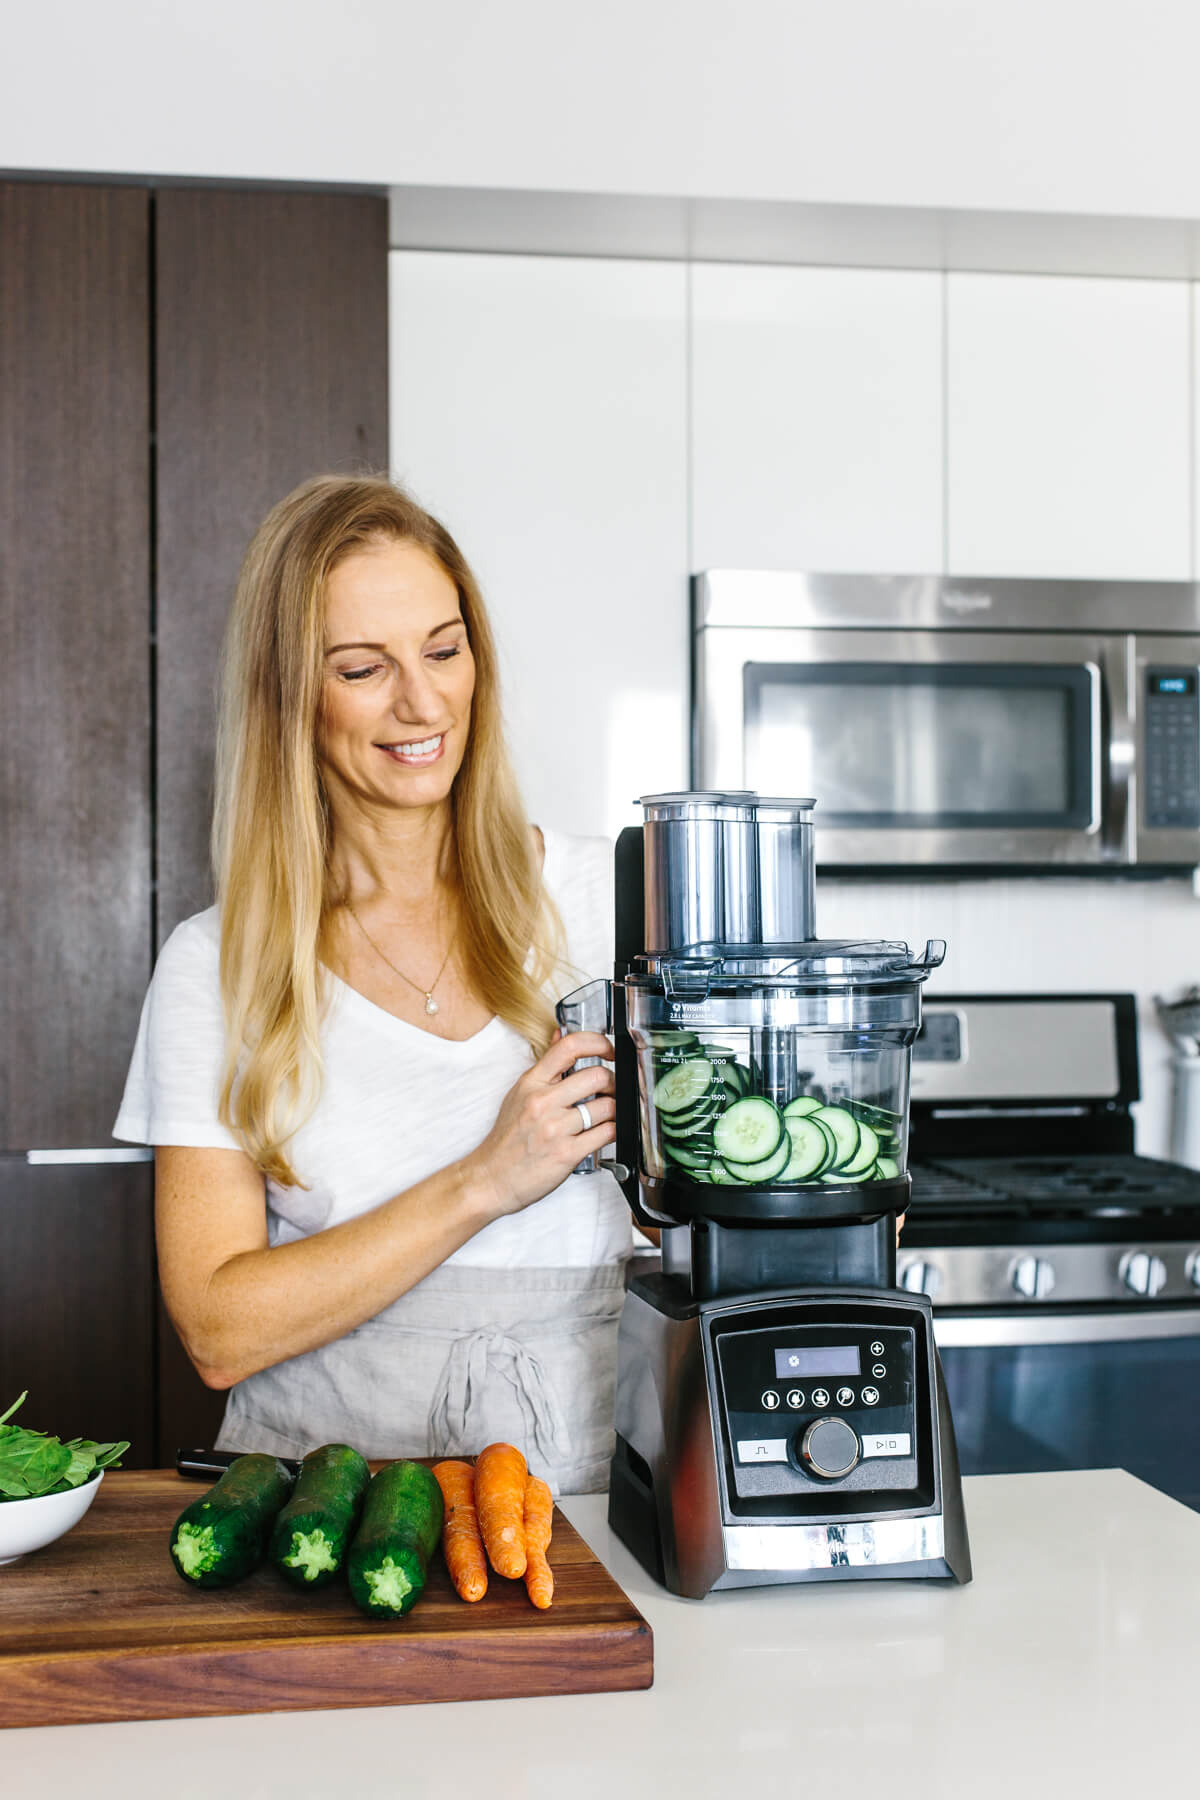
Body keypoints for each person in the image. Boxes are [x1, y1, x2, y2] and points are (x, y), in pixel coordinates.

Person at [114, 474, 631, 1493]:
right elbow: (218, 1328)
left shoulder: (614, 900)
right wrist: (488, 1178)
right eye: (363, 668)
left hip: (605, 1505)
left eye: (444, 649)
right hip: (324, 1519)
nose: (422, 701)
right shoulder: (218, 968)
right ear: (289, 696)